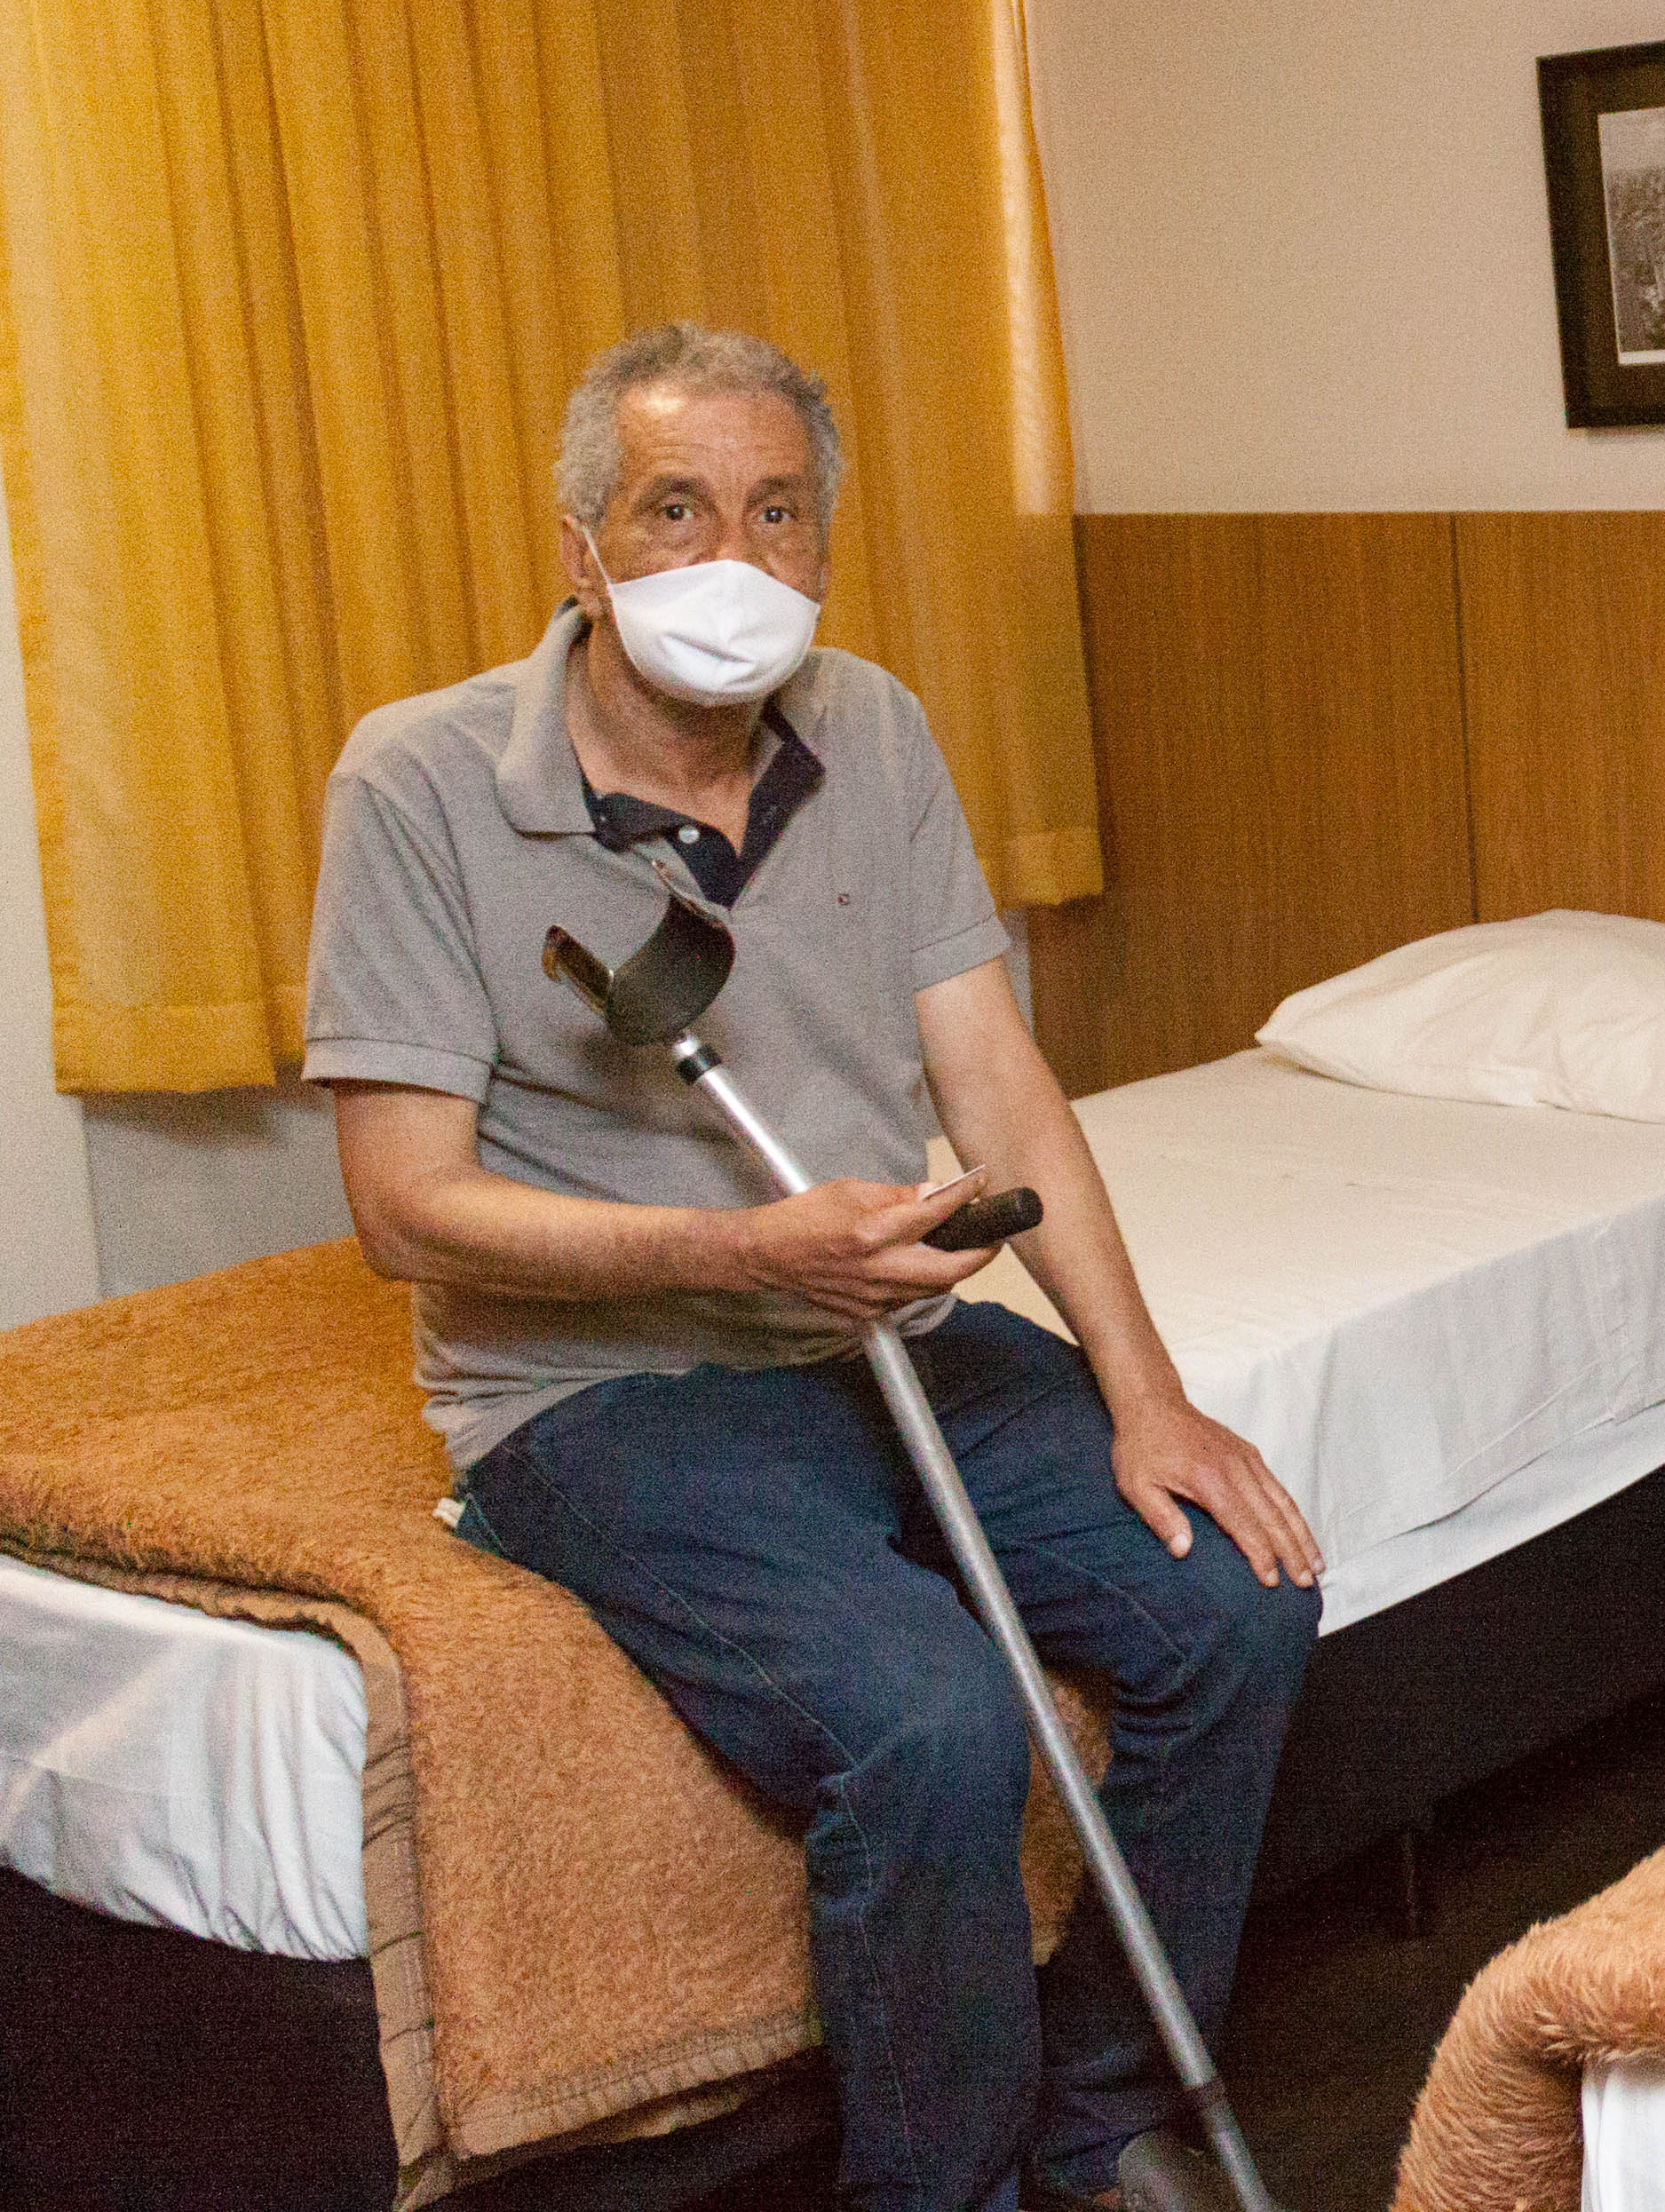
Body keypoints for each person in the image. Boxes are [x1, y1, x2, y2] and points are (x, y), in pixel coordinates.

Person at [305, 324, 1324, 2212]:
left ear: (825, 549)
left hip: (890, 1346)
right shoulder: (421, 782)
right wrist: (738, 1243)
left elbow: (998, 1083)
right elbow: (401, 1207)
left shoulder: (876, 727)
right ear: (579, 548)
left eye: (777, 514)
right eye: (672, 509)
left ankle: (1095, 2124)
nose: (729, 555)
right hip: (603, 1395)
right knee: (928, 1712)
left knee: (1234, 1602)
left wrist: (1146, 1396)